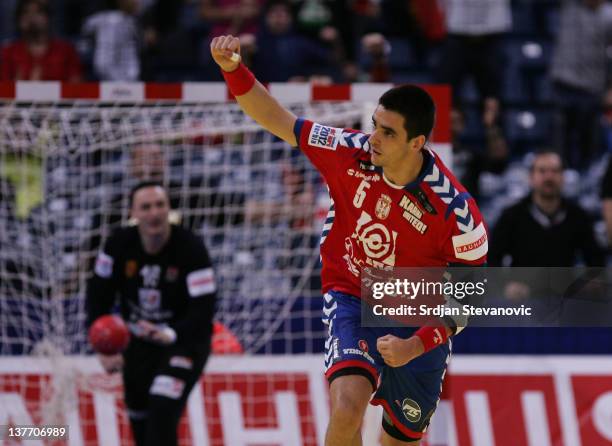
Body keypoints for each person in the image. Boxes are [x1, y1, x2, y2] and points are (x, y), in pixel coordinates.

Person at [210, 36, 487, 445]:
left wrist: (415, 345)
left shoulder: (455, 212)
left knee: (399, 439)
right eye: (375, 124)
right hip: (352, 292)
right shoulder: (350, 151)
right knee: (345, 411)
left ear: (417, 143)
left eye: (387, 132)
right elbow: (276, 118)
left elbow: (470, 300)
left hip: (418, 316)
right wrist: (233, 69)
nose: (373, 137)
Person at [86, 181, 216, 446]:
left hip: (183, 344)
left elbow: (204, 310)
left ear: (169, 208)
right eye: (145, 207)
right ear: (133, 213)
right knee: (140, 420)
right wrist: (104, 348)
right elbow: (97, 296)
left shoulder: (191, 248)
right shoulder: (118, 244)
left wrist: (170, 333)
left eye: (160, 205)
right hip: (137, 344)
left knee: (162, 407)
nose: (154, 213)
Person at [489, 150, 605, 268]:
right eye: (542, 171)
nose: (549, 177)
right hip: (523, 284)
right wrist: (507, 283)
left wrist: (589, 284)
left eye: (555, 171)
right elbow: (492, 260)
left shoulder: (578, 216)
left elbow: (596, 262)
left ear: (563, 177)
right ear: (531, 177)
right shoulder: (511, 216)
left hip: (564, 285)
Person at [0, 0, 82, 82]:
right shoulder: (9, 52)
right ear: (19, 20)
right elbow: (3, 88)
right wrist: (17, 87)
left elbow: (77, 88)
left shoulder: (66, 51)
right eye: (25, 12)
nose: (31, 16)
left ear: (48, 17)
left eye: (38, 11)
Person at [82, 0, 140, 81]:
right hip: (112, 73)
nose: (137, 2)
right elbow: (86, 28)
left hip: (128, 72)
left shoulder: (132, 20)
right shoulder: (109, 20)